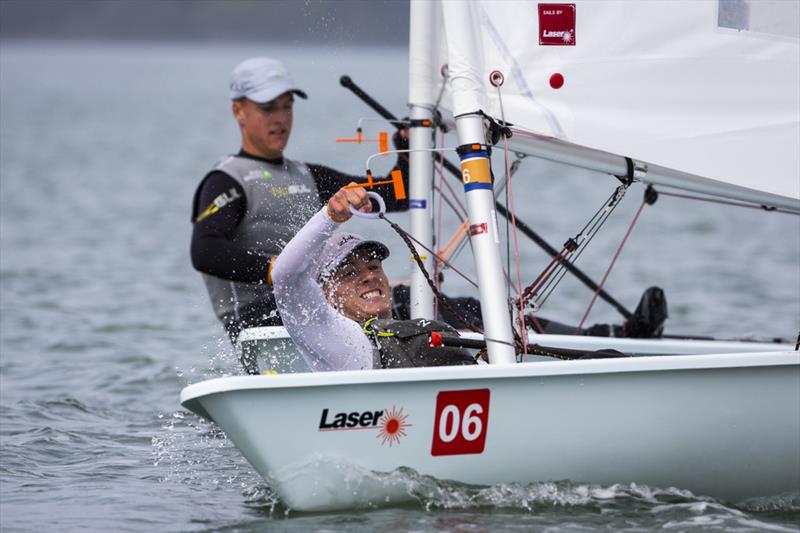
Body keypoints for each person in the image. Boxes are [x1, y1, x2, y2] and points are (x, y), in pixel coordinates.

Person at [190, 57, 408, 343]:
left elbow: (397, 196)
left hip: (316, 309)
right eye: (268, 109)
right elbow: (204, 251)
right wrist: (281, 270)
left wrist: (407, 152)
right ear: (238, 111)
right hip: (261, 321)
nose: (280, 118)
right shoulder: (226, 180)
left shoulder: (308, 176)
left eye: (286, 107)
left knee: (411, 298)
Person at [272, 185, 475, 371]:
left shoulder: (411, 328)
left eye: (373, 266)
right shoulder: (337, 336)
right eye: (349, 273)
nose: (369, 276)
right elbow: (285, 277)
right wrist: (329, 217)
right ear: (326, 296)